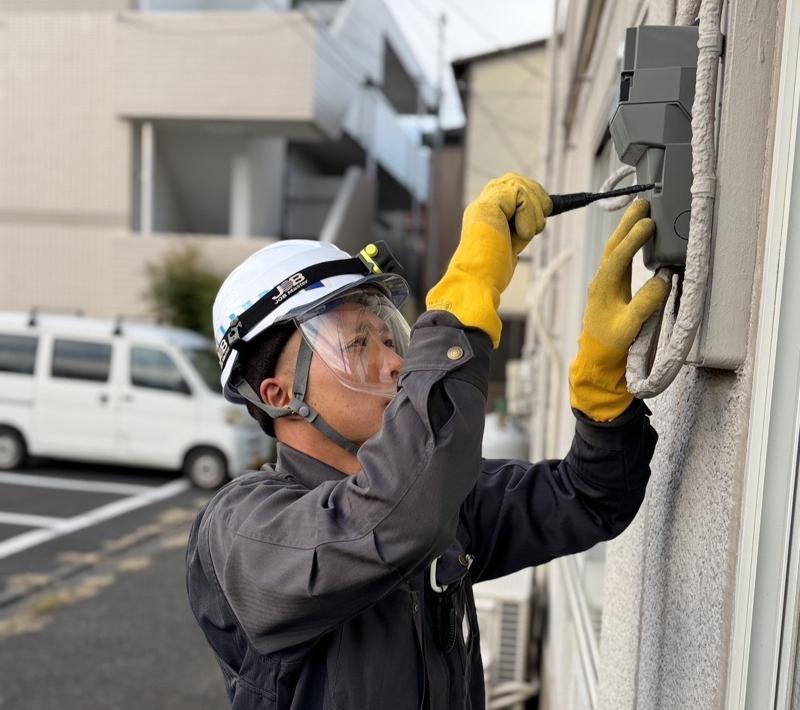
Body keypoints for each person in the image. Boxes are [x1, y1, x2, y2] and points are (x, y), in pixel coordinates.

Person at [186, 173, 669, 709]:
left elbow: (590, 498)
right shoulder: (242, 530)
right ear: (279, 395)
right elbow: (392, 518)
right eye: (358, 346)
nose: (396, 361)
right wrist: (463, 304)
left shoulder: (435, 494)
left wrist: (601, 393)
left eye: (392, 337)